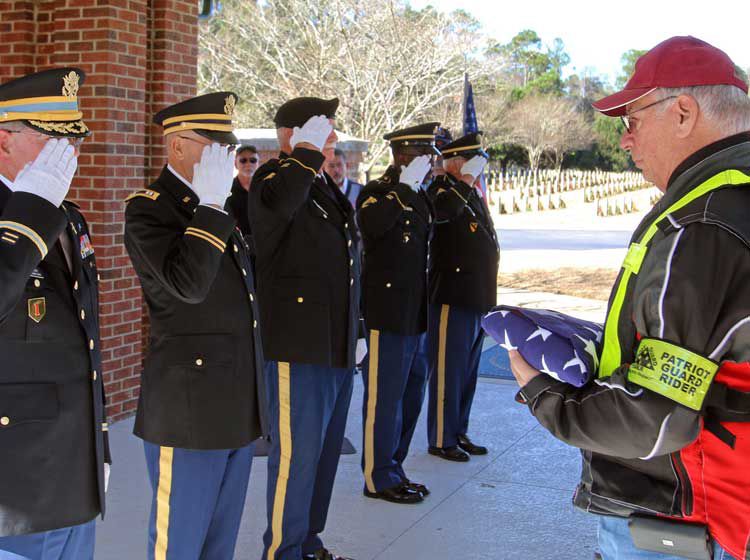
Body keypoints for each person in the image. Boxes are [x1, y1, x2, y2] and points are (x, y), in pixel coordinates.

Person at [507, 36, 750, 560]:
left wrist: (545, 395)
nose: (624, 141)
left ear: (683, 112)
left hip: (683, 515)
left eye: (632, 120)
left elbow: (657, 416)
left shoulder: (702, 226)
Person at [124, 91, 266, 560]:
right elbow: (187, 286)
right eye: (214, 144)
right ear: (177, 145)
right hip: (188, 407)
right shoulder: (149, 209)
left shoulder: (218, 204)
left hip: (234, 400)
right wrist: (208, 207)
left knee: (218, 544)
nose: (225, 156)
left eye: (228, 145)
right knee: (179, 544)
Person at [0, 67, 111, 559]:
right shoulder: (37, 210)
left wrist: (97, 446)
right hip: (17, 481)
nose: (71, 154)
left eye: (74, 141)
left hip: (72, 469)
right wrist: (28, 211)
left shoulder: (67, 214)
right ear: (4, 140)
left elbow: (85, 341)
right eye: (52, 139)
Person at [249, 97, 359, 560]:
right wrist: (304, 153)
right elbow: (276, 212)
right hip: (298, 345)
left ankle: (307, 540)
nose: (333, 138)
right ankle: (281, 549)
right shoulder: (273, 178)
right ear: (295, 133)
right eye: (324, 129)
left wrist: (357, 331)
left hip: (333, 343)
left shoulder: (319, 185)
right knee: (295, 459)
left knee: (323, 455)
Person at [355, 122, 438, 504]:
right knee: (384, 398)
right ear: (403, 156)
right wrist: (403, 187)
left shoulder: (420, 194)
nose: (431, 160)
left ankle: (394, 466)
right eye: (424, 153)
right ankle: (377, 475)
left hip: (415, 312)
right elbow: (371, 228)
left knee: (410, 394)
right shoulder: (377, 193)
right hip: (387, 312)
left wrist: (413, 188)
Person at [426, 132, 498, 462]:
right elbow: (443, 213)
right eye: (469, 161)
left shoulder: (468, 193)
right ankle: (442, 438)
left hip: (477, 296)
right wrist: (465, 179)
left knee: (467, 372)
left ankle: (458, 431)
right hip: (452, 297)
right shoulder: (442, 191)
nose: (476, 167)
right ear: (454, 162)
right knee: (448, 372)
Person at [226, 144, 259, 238]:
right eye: (243, 160)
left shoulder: (265, 188)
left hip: (262, 243)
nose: (249, 164)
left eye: (253, 160)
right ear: (235, 164)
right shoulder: (227, 190)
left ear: (258, 163)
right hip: (238, 244)